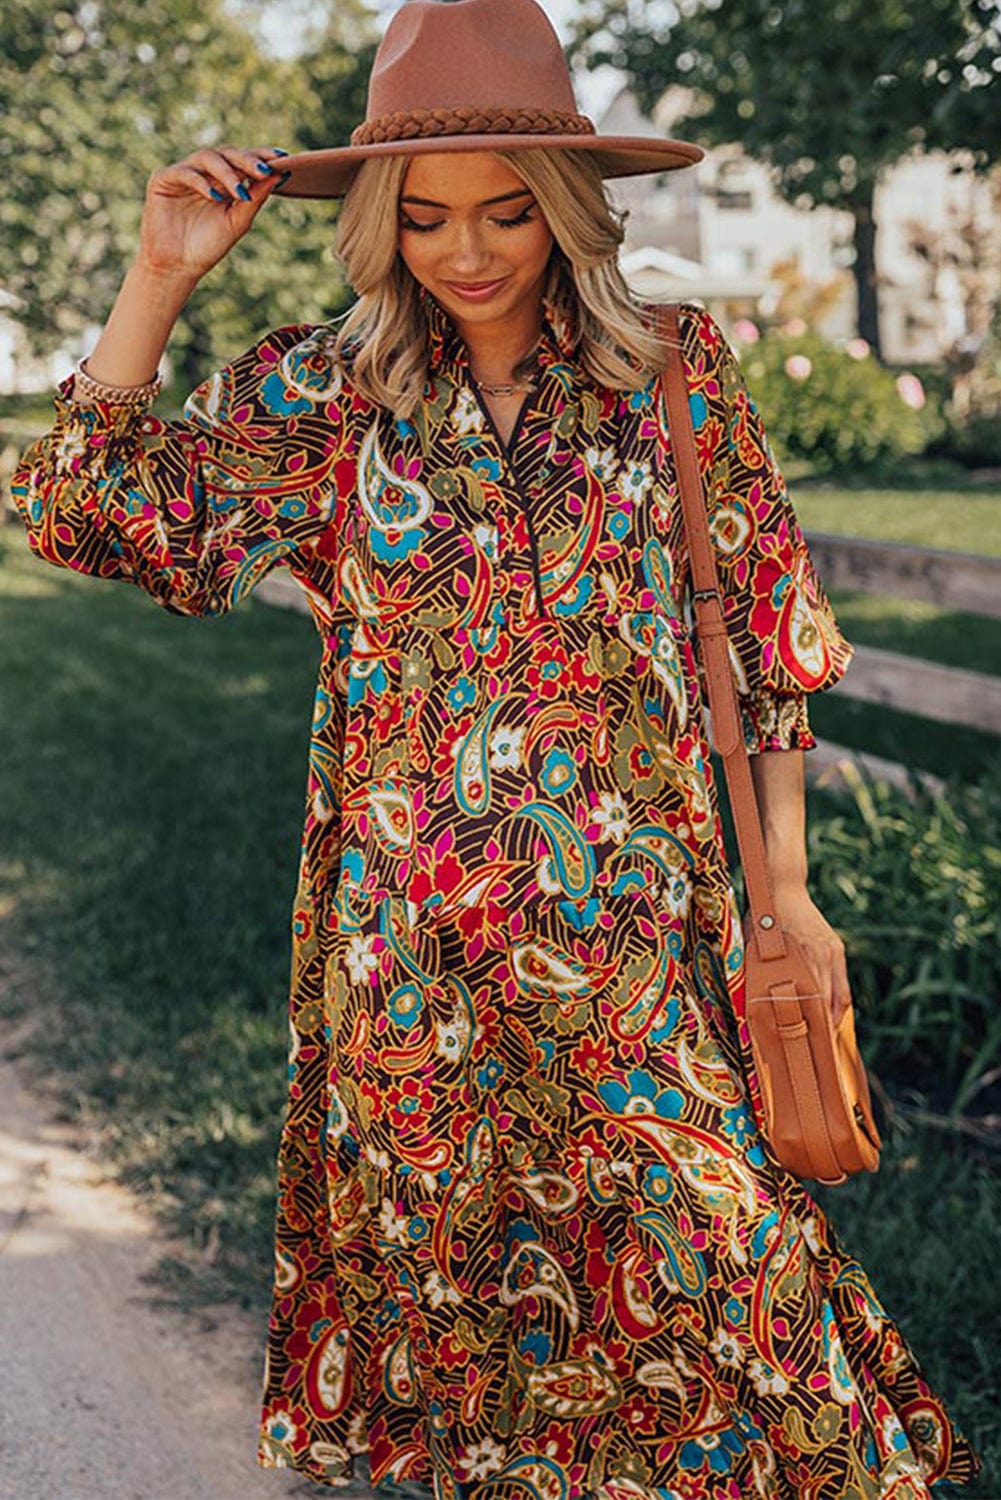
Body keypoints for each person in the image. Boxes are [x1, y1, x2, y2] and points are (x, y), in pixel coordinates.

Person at [9, 0, 984, 1496]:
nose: (466, 253)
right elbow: (84, 512)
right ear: (382, 226)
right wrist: (155, 278)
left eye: (508, 211)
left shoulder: (670, 372)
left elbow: (769, 651)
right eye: (429, 219)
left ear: (569, 207)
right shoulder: (327, 400)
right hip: (411, 969)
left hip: (642, 952)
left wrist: (784, 894)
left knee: (732, 1284)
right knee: (479, 1345)